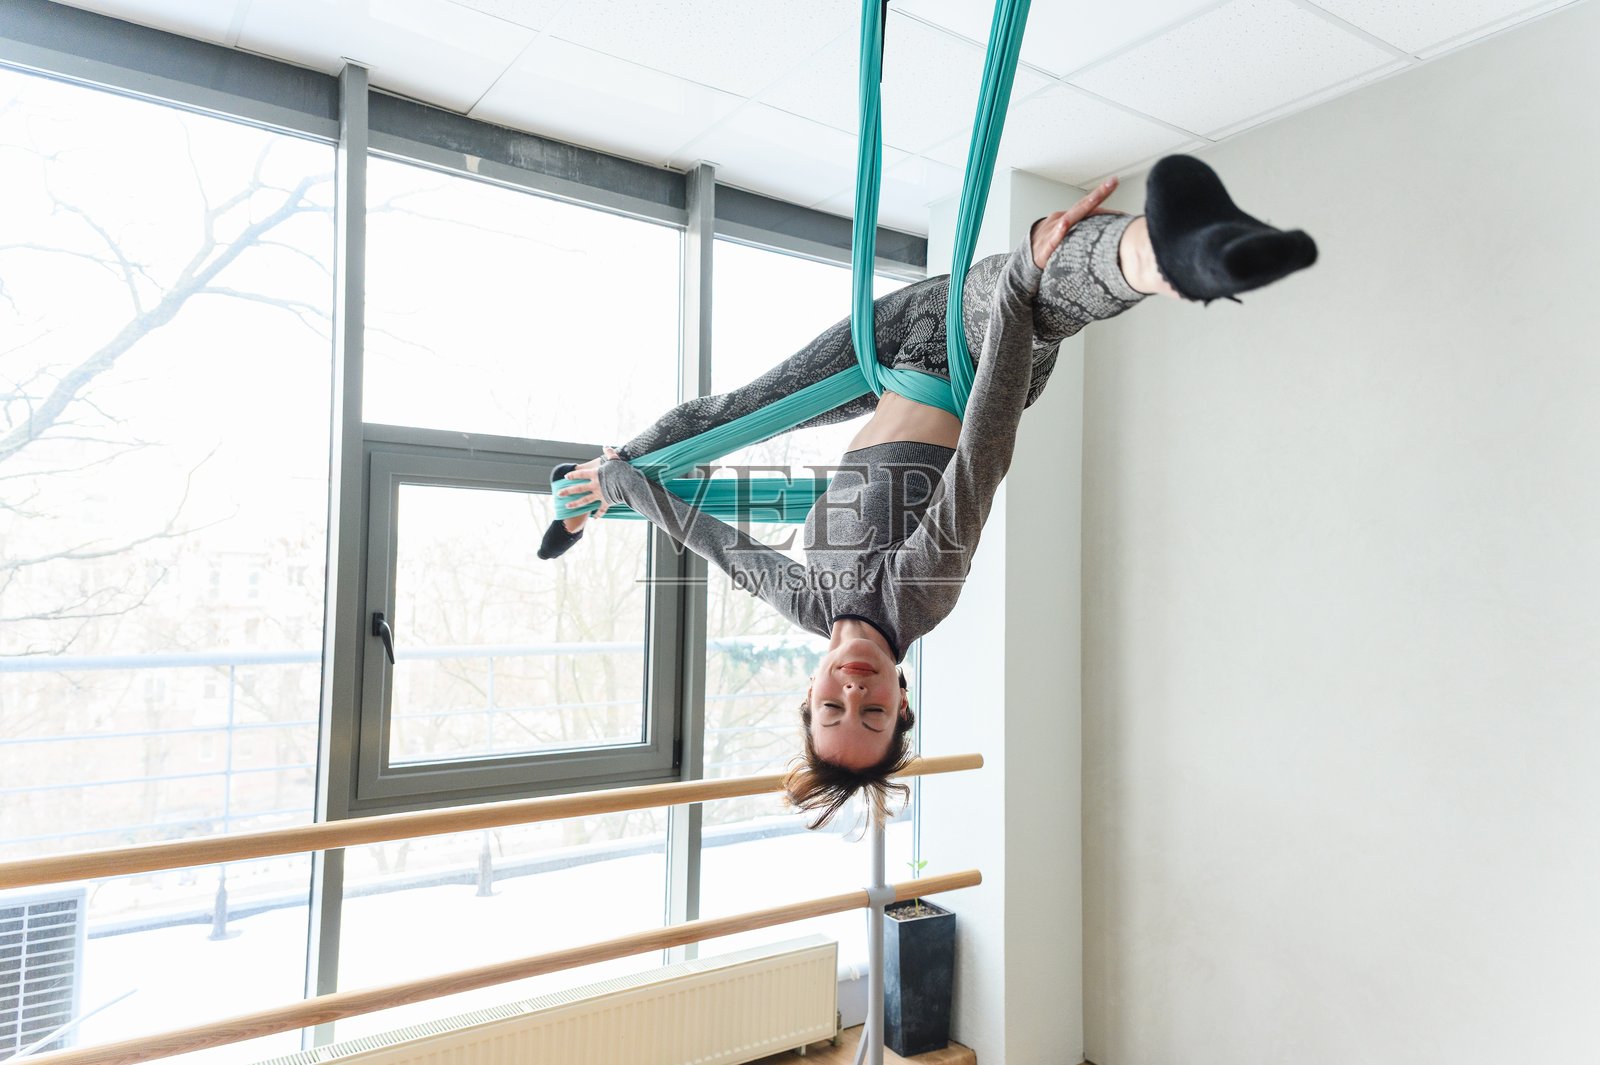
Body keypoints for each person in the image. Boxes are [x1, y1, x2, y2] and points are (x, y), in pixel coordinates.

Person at [542, 155, 1317, 827]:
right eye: (873, 712)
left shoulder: (811, 607)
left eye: (832, 709)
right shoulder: (916, 600)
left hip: (883, 354)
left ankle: (585, 487)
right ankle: (1182, 254)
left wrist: (623, 485)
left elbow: (711, 539)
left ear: (808, 696)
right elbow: (983, 453)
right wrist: (1015, 293)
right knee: (1049, 279)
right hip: (971, 359)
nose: (853, 691)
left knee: (724, 416)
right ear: (901, 702)